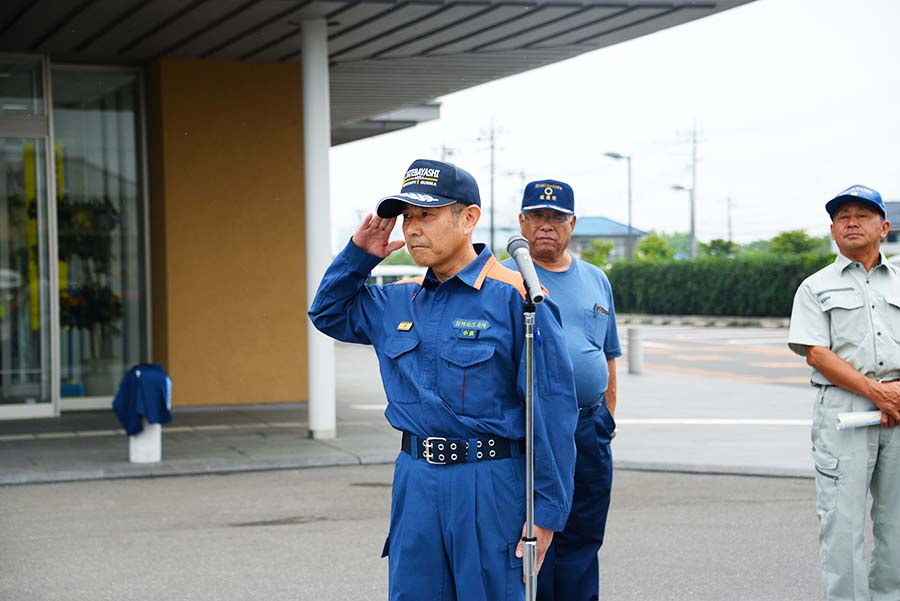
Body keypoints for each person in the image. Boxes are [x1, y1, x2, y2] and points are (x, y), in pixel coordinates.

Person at [308, 159, 578, 601]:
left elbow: (551, 410)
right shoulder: (397, 300)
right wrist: (358, 256)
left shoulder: (518, 299)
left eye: (427, 215)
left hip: (489, 481)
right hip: (416, 480)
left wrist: (546, 511)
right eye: (408, 217)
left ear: (468, 217)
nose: (413, 229)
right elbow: (327, 313)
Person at [503, 179, 621, 601]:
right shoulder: (502, 278)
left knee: (584, 538)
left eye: (556, 218)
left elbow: (608, 354)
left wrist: (606, 417)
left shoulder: (595, 279)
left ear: (573, 224)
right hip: (530, 431)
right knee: (532, 539)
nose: (546, 226)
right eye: (536, 216)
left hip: (588, 429)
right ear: (521, 221)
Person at [788, 184, 900, 601]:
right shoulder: (815, 287)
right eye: (842, 217)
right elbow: (817, 353)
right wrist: (879, 392)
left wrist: (895, 395)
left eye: (862, 215)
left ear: (884, 227)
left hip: (899, 408)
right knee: (843, 525)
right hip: (844, 410)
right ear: (833, 231)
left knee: (897, 525)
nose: (851, 222)